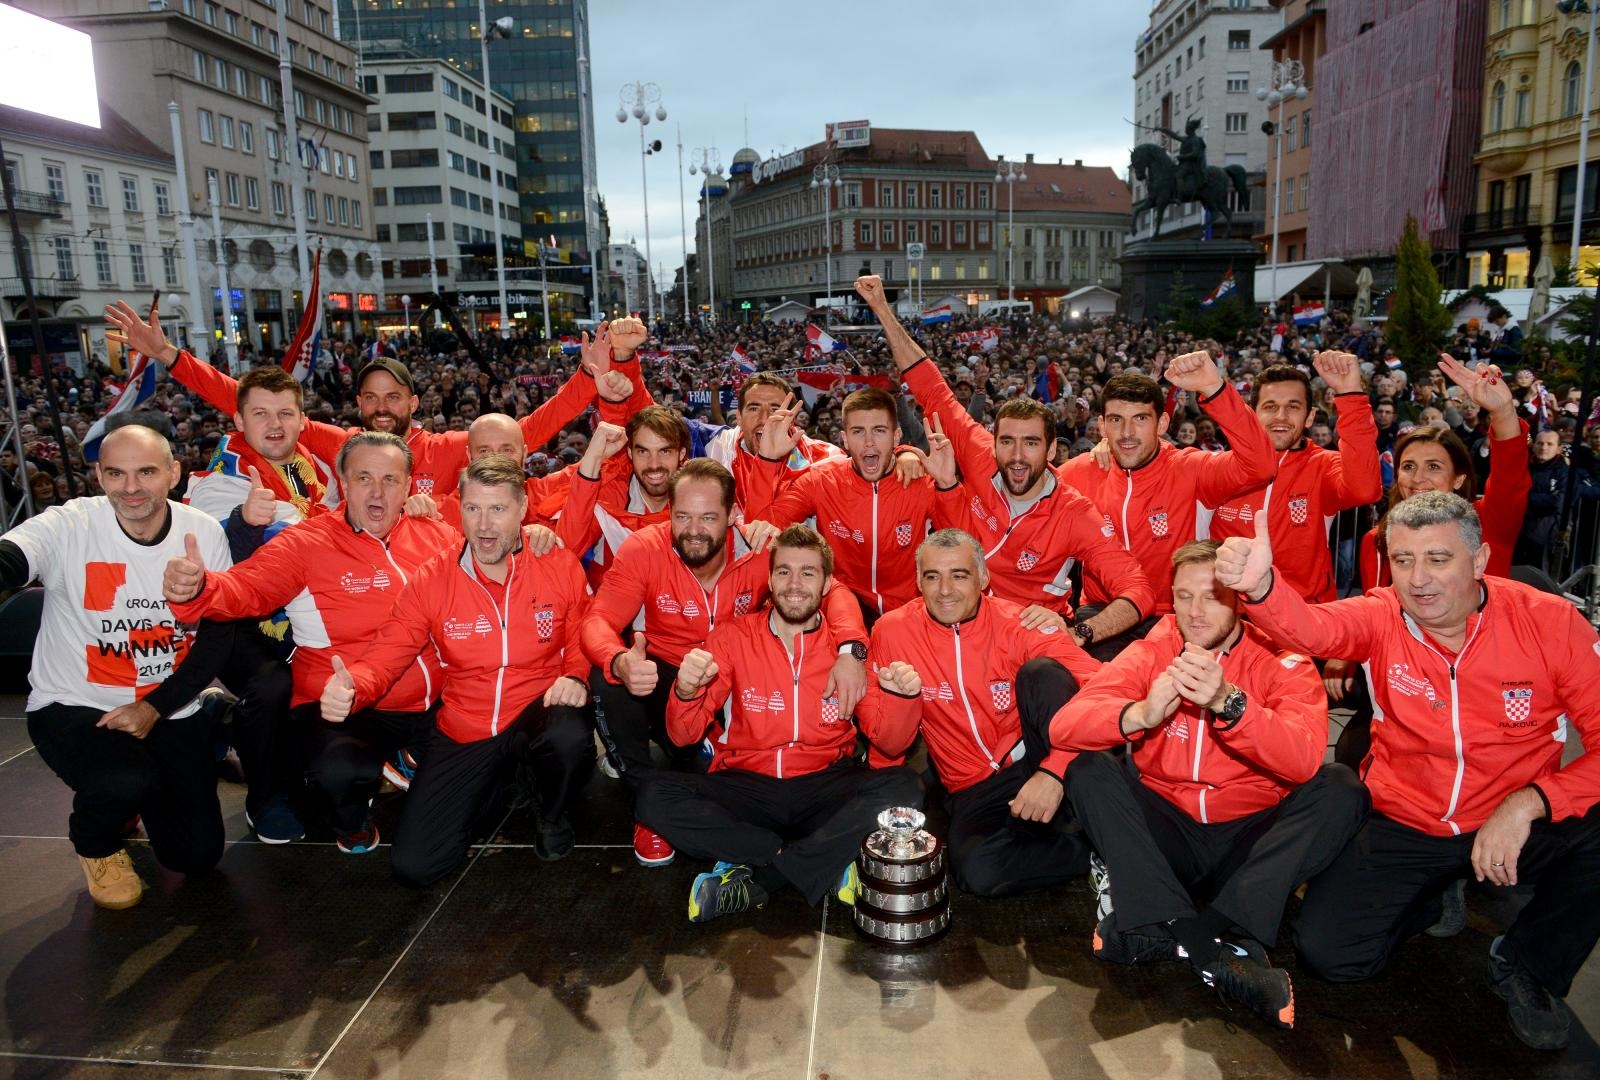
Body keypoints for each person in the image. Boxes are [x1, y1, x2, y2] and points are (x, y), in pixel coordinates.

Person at [1216, 491, 1600, 1051]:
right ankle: (1432, 891)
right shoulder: (1380, 614)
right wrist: (1263, 589)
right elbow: (1313, 629)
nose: (1419, 579)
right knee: (1332, 958)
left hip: (1511, 812)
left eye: (1438, 559)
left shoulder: (1551, 622)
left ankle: (1527, 966)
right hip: (1407, 817)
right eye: (1403, 560)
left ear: (1480, 561)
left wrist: (1531, 801)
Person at [1054, 541, 1368, 1030]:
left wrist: (1230, 704)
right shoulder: (1158, 645)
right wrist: (1139, 714)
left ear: (1240, 598)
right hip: (1170, 832)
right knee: (1087, 769)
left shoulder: (1280, 655)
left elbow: (1305, 758)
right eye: (1183, 597)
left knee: (1342, 786)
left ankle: (1166, 925)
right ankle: (1213, 950)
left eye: (1211, 596)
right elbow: (1065, 725)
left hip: (1248, 836)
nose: (1195, 612)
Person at [163, 431, 462, 854]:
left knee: (497, 736)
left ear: (409, 486)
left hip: (431, 702)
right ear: (341, 480)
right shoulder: (307, 542)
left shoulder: (436, 536)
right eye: (363, 478)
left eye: (391, 480)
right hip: (343, 702)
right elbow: (248, 588)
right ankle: (351, 821)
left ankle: (410, 757)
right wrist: (199, 589)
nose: (377, 492)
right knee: (341, 774)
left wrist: (542, 543)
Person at [580, 459, 869, 867]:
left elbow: (833, 589)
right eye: (682, 515)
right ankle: (650, 815)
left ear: (734, 515)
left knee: (722, 784)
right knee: (609, 678)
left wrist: (851, 650)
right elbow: (597, 621)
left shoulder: (758, 549)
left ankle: (755, 841)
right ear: (669, 513)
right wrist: (619, 661)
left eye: (708, 517)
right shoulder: (644, 548)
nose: (693, 529)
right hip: (668, 677)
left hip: (734, 684)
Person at [320, 456, 595, 884]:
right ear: (460, 508)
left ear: (523, 509)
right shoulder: (433, 578)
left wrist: (576, 675)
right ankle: (503, 785)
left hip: (537, 708)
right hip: (467, 724)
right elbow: (388, 653)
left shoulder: (557, 563)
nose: (484, 525)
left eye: (498, 510)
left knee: (569, 737)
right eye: (473, 509)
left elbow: (581, 633)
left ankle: (552, 814)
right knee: (416, 867)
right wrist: (353, 686)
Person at [0, 425, 235, 909]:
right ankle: (98, 843)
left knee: (196, 856)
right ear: (99, 476)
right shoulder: (68, 525)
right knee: (122, 782)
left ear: (173, 473)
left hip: (169, 703)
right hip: (76, 704)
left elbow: (217, 643)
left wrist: (155, 707)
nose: (131, 488)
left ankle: (175, 749)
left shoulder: (203, 533)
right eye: (116, 473)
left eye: (146, 472)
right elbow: (13, 557)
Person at [855, 275, 1155, 654]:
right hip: (955, 619)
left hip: (1022, 643)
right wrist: (882, 308)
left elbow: (1137, 590)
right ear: (993, 442)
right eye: (1007, 442)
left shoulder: (1074, 513)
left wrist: (1081, 632)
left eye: (1030, 444)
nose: (1016, 456)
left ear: (1051, 452)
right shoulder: (979, 454)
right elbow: (931, 387)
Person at [639, 525, 924, 922]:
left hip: (824, 783)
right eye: (784, 571)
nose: (794, 584)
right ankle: (815, 859)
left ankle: (763, 876)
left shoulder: (848, 655)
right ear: (770, 580)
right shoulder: (731, 638)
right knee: (652, 793)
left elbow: (891, 744)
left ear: (826, 584)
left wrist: (903, 699)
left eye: (808, 573)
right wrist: (686, 692)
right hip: (747, 784)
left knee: (904, 787)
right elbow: (682, 736)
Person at [104, 302, 638, 498]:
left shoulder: (451, 448)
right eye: (371, 397)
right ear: (358, 403)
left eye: (393, 397)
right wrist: (171, 357)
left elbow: (534, 429)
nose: (382, 407)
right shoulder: (342, 446)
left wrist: (593, 376)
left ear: (412, 402)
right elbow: (250, 405)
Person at [857, 528, 1101, 898]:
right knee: (977, 873)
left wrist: (1054, 769)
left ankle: (1076, 809)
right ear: (918, 581)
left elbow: (1098, 684)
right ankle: (1087, 852)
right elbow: (887, 744)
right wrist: (899, 698)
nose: (945, 590)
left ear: (983, 579)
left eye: (959, 575)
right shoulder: (891, 631)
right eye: (932, 576)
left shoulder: (1018, 622)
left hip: (1032, 760)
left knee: (1044, 674)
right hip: (970, 786)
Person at [1054, 355, 1276, 640]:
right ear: (1102, 425)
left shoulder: (1191, 469)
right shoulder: (1078, 473)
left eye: (1141, 419)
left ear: (1162, 424)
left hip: (1177, 615)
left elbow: (1261, 464)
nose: (1127, 433)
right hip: (1103, 612)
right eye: (1116, 420)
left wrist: (1214, 388)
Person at [744, 387, 961, 619]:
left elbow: (965, 544)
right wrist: (766, 459)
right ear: (845, 438)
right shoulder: (822, 481)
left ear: (896, 436)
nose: (868, 442)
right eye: (858, 431)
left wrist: (948, 485)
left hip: (910, 609)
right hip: (844, 607)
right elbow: (758, 533)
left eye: (879, 430)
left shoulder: (918, 480)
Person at [1209, 355, 1381, 603]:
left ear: (1310, 417)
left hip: (1301, 615)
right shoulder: (1221, 469)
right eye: (1269, 406)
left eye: (1293, 406)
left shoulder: (1322, 465)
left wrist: (1350, 394)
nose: (1281, 416)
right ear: (1252, 413)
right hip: (1232, 618)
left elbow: (1365, 490)